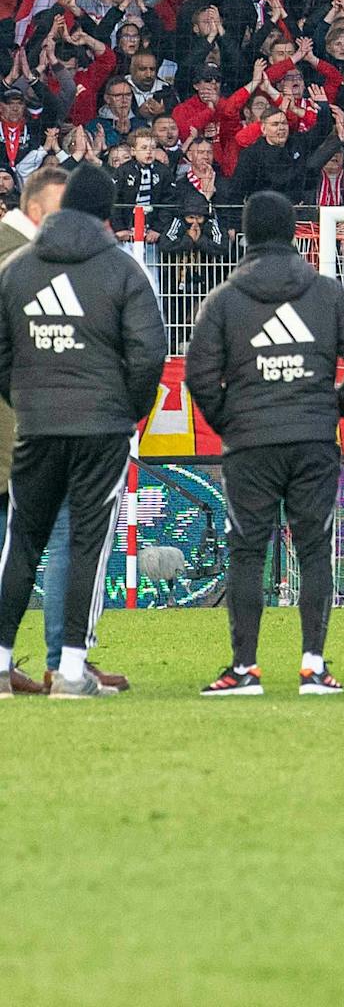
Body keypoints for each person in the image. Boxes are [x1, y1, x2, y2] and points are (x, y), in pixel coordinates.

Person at [183, 191, 344, 696]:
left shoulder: (226, 299)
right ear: (295, 232)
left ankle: (244, 668)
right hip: (313, 440)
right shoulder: (325, 293)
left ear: (247, 235)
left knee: (247, 551)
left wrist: (230, 420)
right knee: (314, 549)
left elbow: (199, 372)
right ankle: (313, 667)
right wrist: (334, 406)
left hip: (250, 443)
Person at [0, 163, 166, 699]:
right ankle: (71, 669)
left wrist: (26, 401)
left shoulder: (18, 268)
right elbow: (149, 352)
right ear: (106, 214)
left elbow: (1, 351)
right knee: (87, 543)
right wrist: (125, 411)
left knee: (22, 542)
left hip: (37, 425)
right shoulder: (122, 270)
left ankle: (0, 665)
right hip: (101, 428)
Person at [0, 165, 70, 695]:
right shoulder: (21, 259)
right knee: (60, 531)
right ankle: (64, 662)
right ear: (39, 210)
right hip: (23, 428)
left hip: (23, 424)